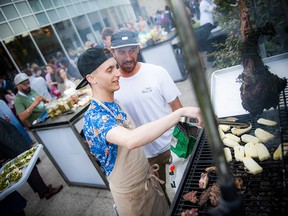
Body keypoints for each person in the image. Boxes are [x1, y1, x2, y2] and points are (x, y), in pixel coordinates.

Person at [75, 47, 203, 215]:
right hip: (132, 197)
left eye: (115, 67)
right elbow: (131, 139)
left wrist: (146, 166)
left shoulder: (114, 102)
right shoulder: (94, 117)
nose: (118, 73)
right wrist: (179, 113)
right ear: (91, 78)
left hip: (148, 180)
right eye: (110, 70)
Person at [110, 29, 183, 205]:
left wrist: (183, 141)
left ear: (138, 49)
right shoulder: (113, 85)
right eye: (121, 52)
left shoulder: (157, 72)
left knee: (184, 186)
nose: (128, 57)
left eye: (132, 50)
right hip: (143, 155)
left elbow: (177, 108)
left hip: (172, 144)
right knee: (159, 195)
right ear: (112, 52)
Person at [0, 117, 63, 200]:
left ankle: (40, 190)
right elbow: (6, 139)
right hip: (16, 149)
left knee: (27, 171)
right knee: (32, 169)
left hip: (14, 149)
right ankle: (45, 192)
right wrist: (22, 151)